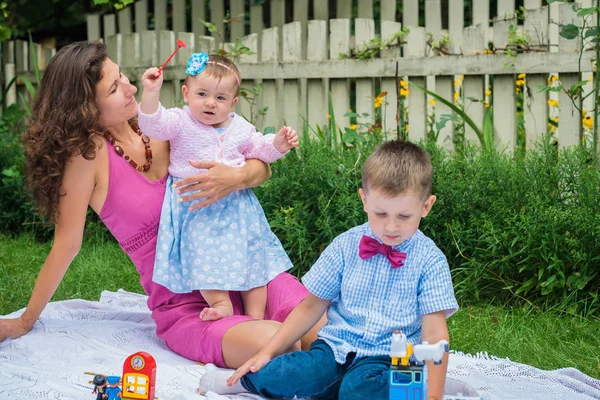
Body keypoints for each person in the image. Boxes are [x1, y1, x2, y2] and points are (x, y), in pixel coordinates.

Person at [0, 41, 324, 369]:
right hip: (186, 305)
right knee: (283, 346)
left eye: (123, 76)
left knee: (330, 333)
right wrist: (26, 320)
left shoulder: (163, 124)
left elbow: (260, 165)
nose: (129, 88)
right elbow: (67, 243)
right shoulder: (89, 157)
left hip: (246, 271)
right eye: (114, 88)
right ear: (84, 107)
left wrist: (236, 178)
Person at [199, 140, 459, 400]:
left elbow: (434, 331)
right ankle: (244, 382)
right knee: (294, 371)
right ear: (364, 200)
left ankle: (422, 384)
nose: (391, 227)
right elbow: (310, 307)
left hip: (390, 358)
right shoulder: (345, 246)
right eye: (381, 214)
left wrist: (434, 396)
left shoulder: (430, 261)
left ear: (426, 206)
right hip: (336, 348)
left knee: (359, 389)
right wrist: (267, 352)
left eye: (404, 217)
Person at [138, 52, 299, 322]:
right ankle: (221, 303)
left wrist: (278, 144)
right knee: (204, 255)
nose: (210, 103)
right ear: (186, 93)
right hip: (197, 208)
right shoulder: (179, 121)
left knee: (253, 259)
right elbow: (153, 123)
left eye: (221, 98)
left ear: (233, 102)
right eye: (202, 94)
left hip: (238, 208)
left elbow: (258, 149)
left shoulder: (241, 128)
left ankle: (256, 316)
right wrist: (151, 92)